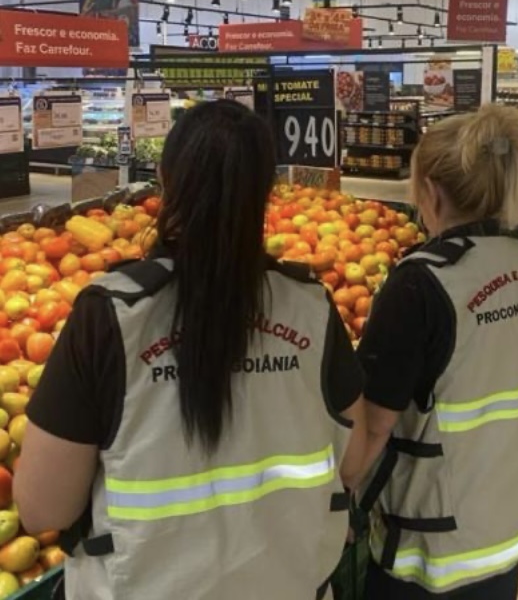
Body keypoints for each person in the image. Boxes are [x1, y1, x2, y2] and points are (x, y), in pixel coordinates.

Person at [15, 100, 367, 600]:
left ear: (164, 178)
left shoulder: (112, 315)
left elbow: (43, 509)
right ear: (268, 189)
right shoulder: (310, 307)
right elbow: (352, 461)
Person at [352, 104, 518, 599]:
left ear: (429, 189)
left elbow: (375, 425)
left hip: (437, 542)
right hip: (515, 514)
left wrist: (335, 496)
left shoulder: (422, 284)